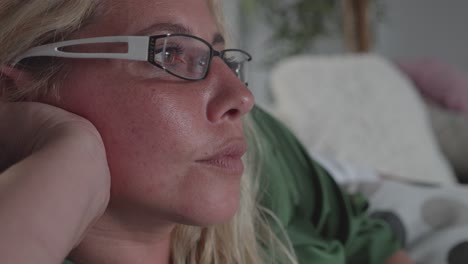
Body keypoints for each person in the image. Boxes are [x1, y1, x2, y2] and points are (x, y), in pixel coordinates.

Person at [0, 0, 412, 263]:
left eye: (220, 57)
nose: (242, 97)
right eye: (172, 53)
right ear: (19, 91)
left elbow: (368, 242)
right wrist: (66, 156)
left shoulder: (258, 152)